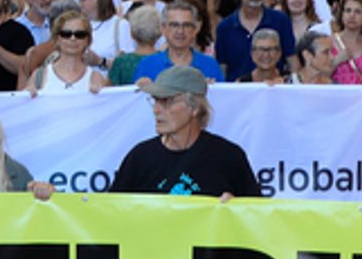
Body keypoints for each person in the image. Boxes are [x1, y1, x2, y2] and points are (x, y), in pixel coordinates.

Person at [109, 65, 261, 198]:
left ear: (195, 108)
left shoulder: (229, 157)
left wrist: (235, 209)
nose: (156, 109)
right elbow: (112, 214)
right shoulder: (140, 158)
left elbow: (256, 218)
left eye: (167, 101)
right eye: (155, 100)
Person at [215, 0, 295, 81]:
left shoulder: (280, 20)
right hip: (238, 93)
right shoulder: (224, 27)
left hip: (273, 90)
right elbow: (222, 68)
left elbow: (292, 62)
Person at [134, 0, 224, 84]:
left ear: (195, 29)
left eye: (186, 25)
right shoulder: (147, 65)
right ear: (163, 29)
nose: (180, 31)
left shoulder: (210, 65)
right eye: (174, 25)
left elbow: (222, 97)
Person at [23, 8, 108, 93]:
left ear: (88, 40)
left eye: (80, 34)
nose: (73, 38)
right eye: (66, 34)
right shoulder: (39, 77)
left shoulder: (96, 78)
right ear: (56, 39)